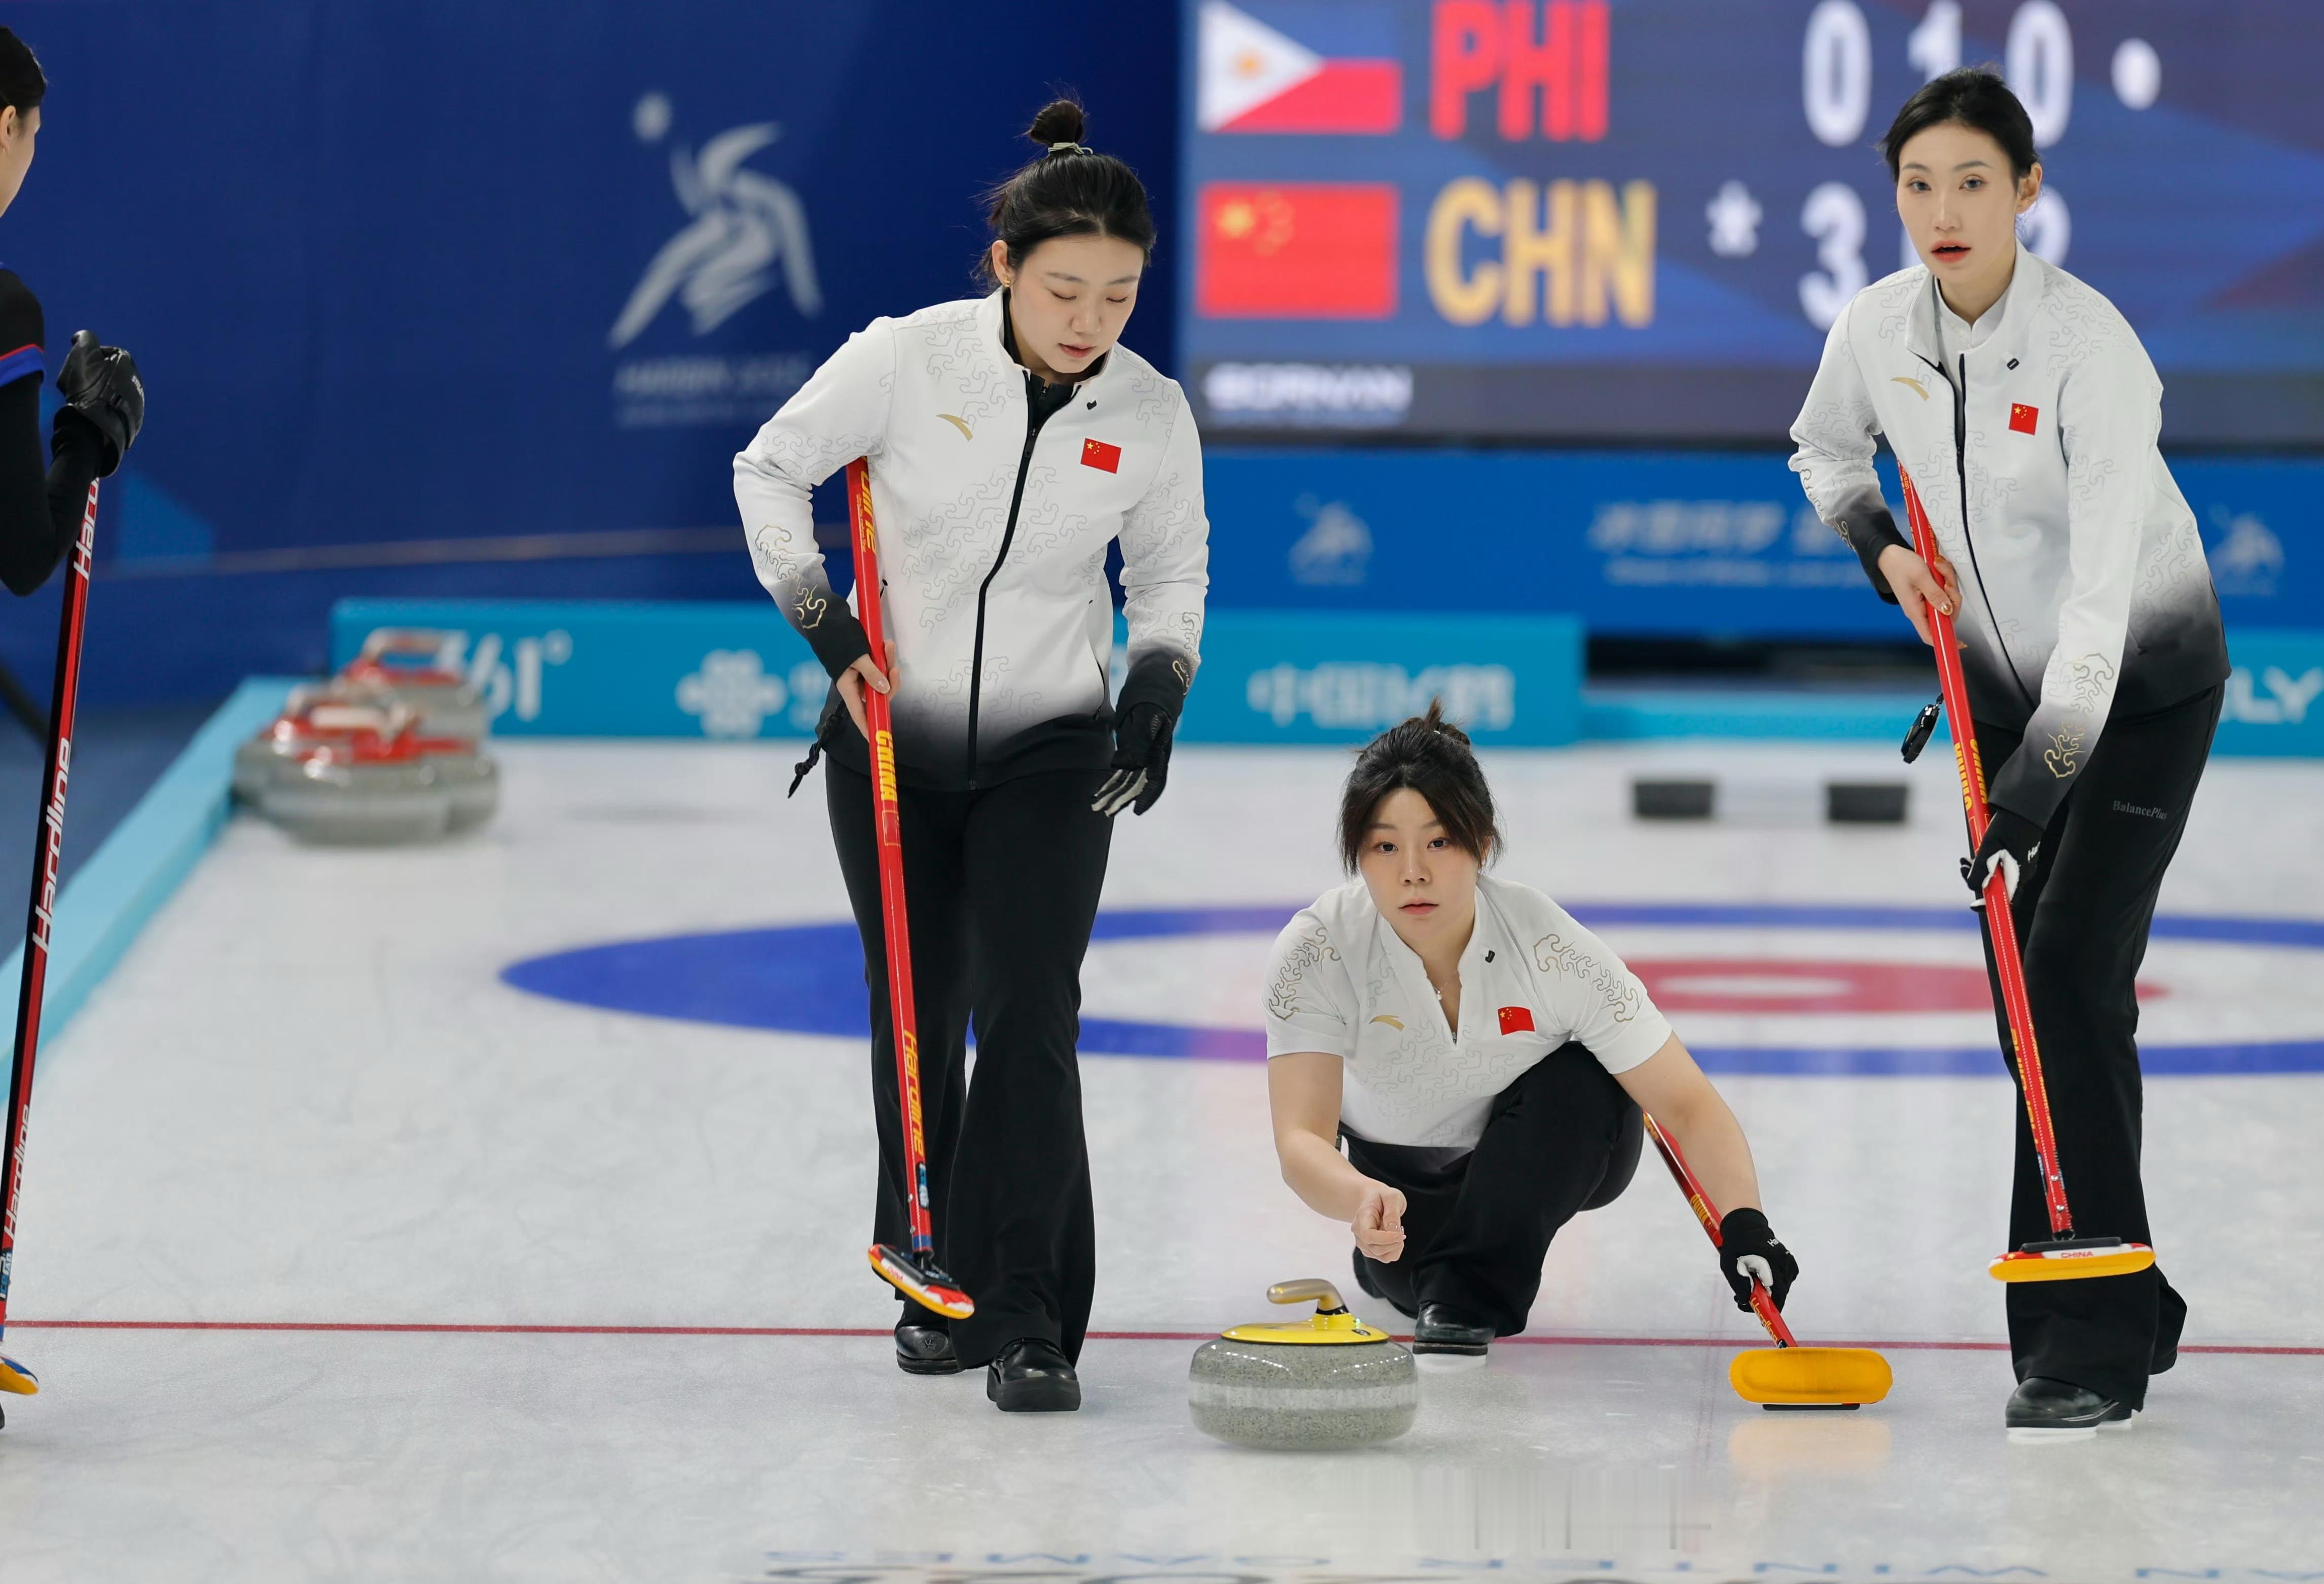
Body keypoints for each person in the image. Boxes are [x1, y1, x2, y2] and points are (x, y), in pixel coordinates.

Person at [731, 98, 1207, 1413]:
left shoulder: (1151, 411)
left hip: (1055, 746)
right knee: (918, 1016)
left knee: (1033, 1015)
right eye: (1065, 289)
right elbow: (769, 470)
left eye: (1118, 294)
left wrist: (1159, 683)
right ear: (1004, 264)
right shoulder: (906, 362)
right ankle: (930, 1279)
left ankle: (1034, 1310)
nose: (1089, 319)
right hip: (891, 738)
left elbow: (1170, 574)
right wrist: (823, 623)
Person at [1787, 66, 2227, 1436]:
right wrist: (1884, 551)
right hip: (1988, 686)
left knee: (2063, 972)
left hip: (2141, 685)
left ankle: (2082, 1340)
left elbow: (2098, 608)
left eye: (1972, 181)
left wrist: (2035, 792)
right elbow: (1821, 451)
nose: (1942, 209)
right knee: (2040, 1011)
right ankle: (2130, 1295)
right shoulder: (1876, 327)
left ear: (2027, 190)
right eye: (1917, 184)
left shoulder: (2095, 349)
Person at [1260, 708, 1800, 1359]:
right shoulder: (1317, 950)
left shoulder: (1548, 946)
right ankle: (1413, 1270)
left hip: (1548, 1146)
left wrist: (1746, 1222)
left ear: (1482, 841)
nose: (1413, 872)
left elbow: (1686, 1103)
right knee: (1406, 1280)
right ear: (1358, 854)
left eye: (1439, 842)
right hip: (1401, 1181)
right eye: (1384, 846)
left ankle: (1466, 1289)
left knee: (1584, 1075)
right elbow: (1301, 1140)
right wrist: (1363, 1197)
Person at [0, 27, 141, 596]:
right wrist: (90, 429)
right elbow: (25, 556)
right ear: (7, 127)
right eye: (35, 134)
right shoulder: (7, 312)